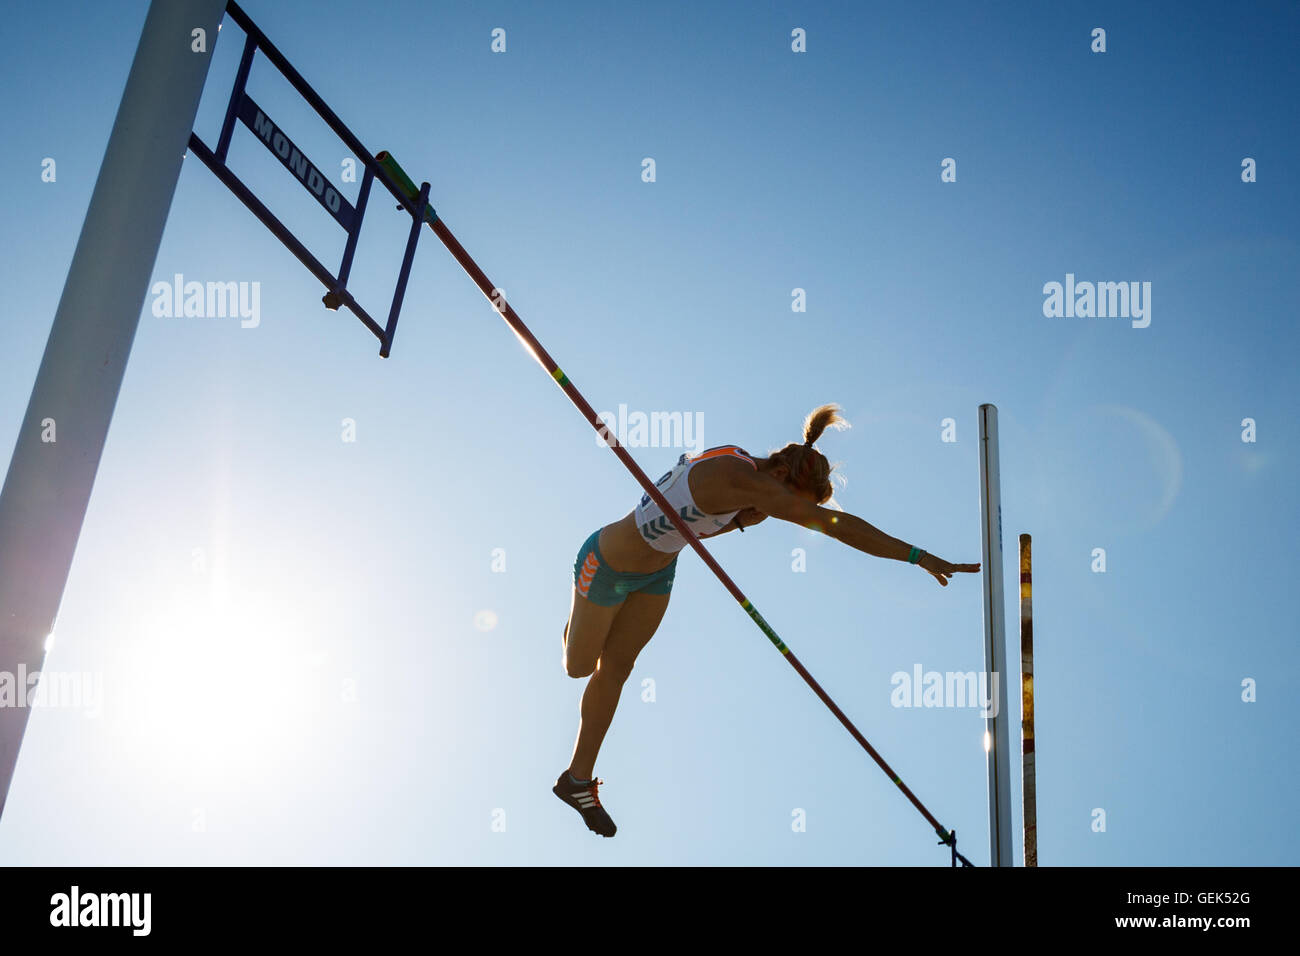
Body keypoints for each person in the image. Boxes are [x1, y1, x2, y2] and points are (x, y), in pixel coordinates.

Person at [553, 404, 980, 836]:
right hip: (605, 563)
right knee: (579, 668)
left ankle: (577, 780)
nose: (788, 512)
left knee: (619, 668)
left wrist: (738, 521)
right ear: (781, 478)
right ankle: (578, 621)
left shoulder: (752, 480)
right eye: (792, 502)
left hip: (657, 573)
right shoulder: (741, 477)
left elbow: (688, 522)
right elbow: (838, 526)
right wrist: (917, 556)